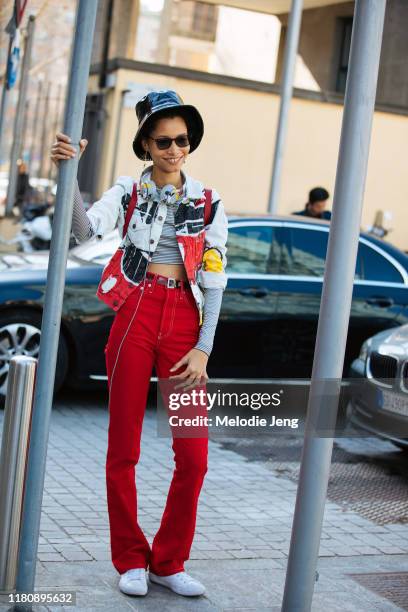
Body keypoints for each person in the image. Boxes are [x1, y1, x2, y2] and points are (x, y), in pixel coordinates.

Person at [50, 89, 228, 598]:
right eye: (164, 140)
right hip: (136, 312)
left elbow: (215, 277)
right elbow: (83, 234)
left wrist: (204, 348)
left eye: (183, 140)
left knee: (193, 456)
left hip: (185, 326)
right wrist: (73, 176)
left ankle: (169, 561)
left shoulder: (209, 201)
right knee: (123, 447)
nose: (176, 149)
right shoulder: (128, 191)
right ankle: (130, 557)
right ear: (146, 144)